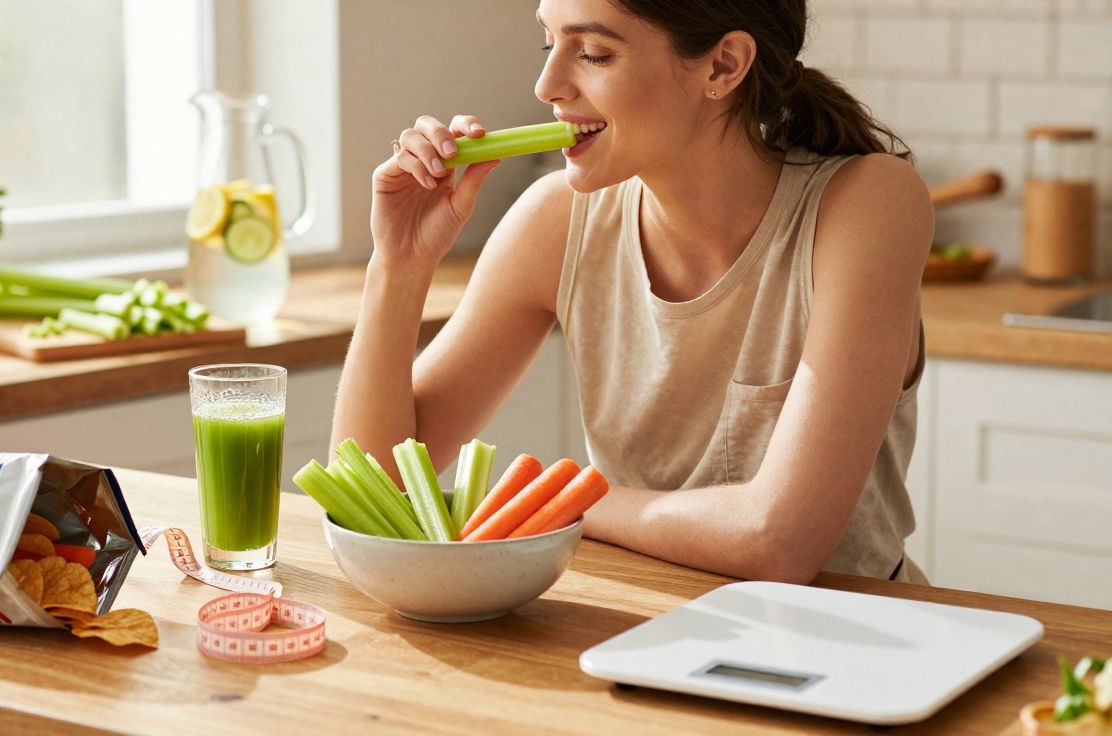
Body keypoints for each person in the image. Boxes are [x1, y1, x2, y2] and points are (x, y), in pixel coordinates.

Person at [331, 0, 932, 584]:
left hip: (846, 647)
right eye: (549, 42)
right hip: (640, 631)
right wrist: (399, 266)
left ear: (723, 66)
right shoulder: (557, 218)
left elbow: (779, 541)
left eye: (593, 52)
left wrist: (550, 502)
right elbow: (370, 489)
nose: (546, 85)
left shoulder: (869, 201)